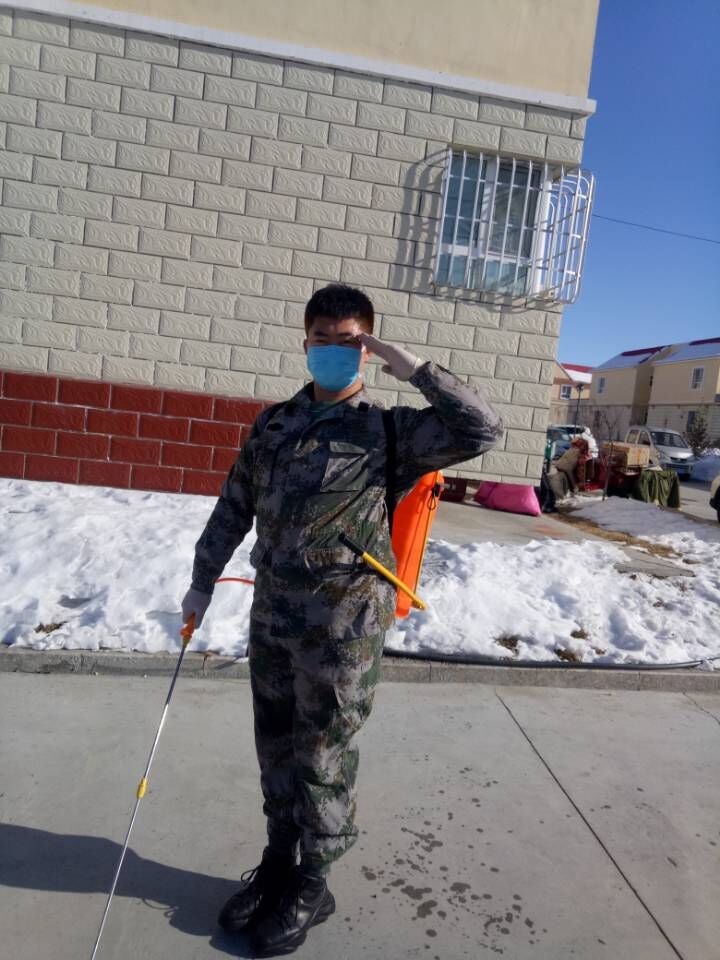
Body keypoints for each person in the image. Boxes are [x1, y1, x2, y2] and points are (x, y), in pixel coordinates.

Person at [181, 283, 503, 956]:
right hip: (274, 618)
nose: (333, 350)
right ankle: (278, 863)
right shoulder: (274, 424)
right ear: (305, 343)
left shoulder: (391, 431)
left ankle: (313, 882)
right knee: (275, 746)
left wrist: (409, 366)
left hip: (343, 627)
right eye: (322, 339)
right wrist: (201, 581)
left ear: (366, 347)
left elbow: (481, 428)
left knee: (323, 756)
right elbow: (234, 505)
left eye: (349, 340)